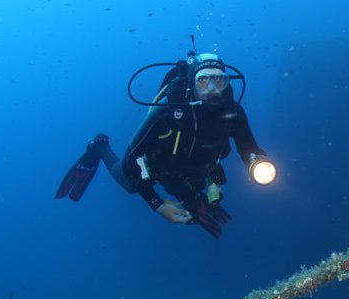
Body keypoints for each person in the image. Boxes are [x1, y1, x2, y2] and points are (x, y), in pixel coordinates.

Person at [55, 45, 277, 238]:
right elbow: (129, 164)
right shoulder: (167, 112)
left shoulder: (233, 112)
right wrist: (158, 205)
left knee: (202, 185)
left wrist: (254, 164)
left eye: (218, 80)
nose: (212, 89)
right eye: (203, 81)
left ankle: (198, 191)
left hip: (199, 164)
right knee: (131, 185)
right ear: (192, 83)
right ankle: (101, 147)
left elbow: (248, 148)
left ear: (227, 82)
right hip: (161, 165)